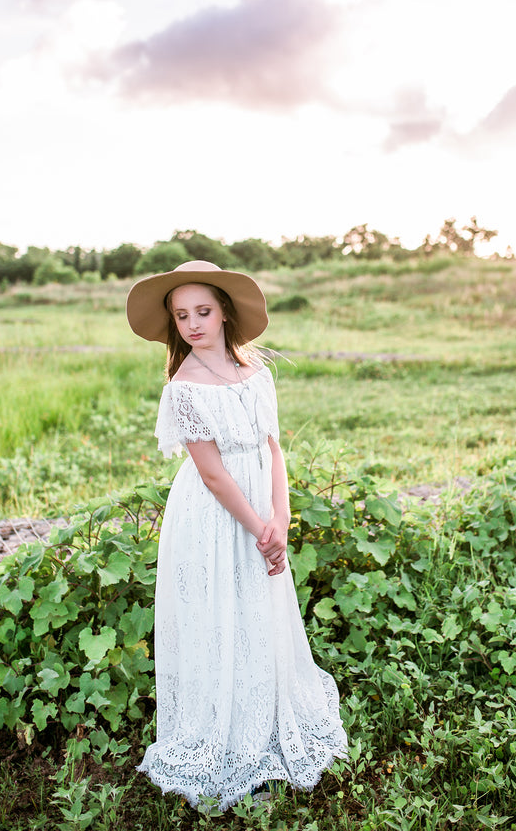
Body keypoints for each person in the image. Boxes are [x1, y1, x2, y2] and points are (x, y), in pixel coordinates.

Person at [126, 260, 347, 812]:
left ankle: (265, 722)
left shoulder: (259, 376)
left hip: (262, 509)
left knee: (258, 612)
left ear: (224, 312)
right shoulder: (183, 388)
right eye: (182, 316)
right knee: (218, 612)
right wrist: (259, 531)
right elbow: (213, 474)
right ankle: (220, 735)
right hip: (214, 515)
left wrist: (282, 519)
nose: (193, 323)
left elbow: (273, 450)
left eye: (202, 311)